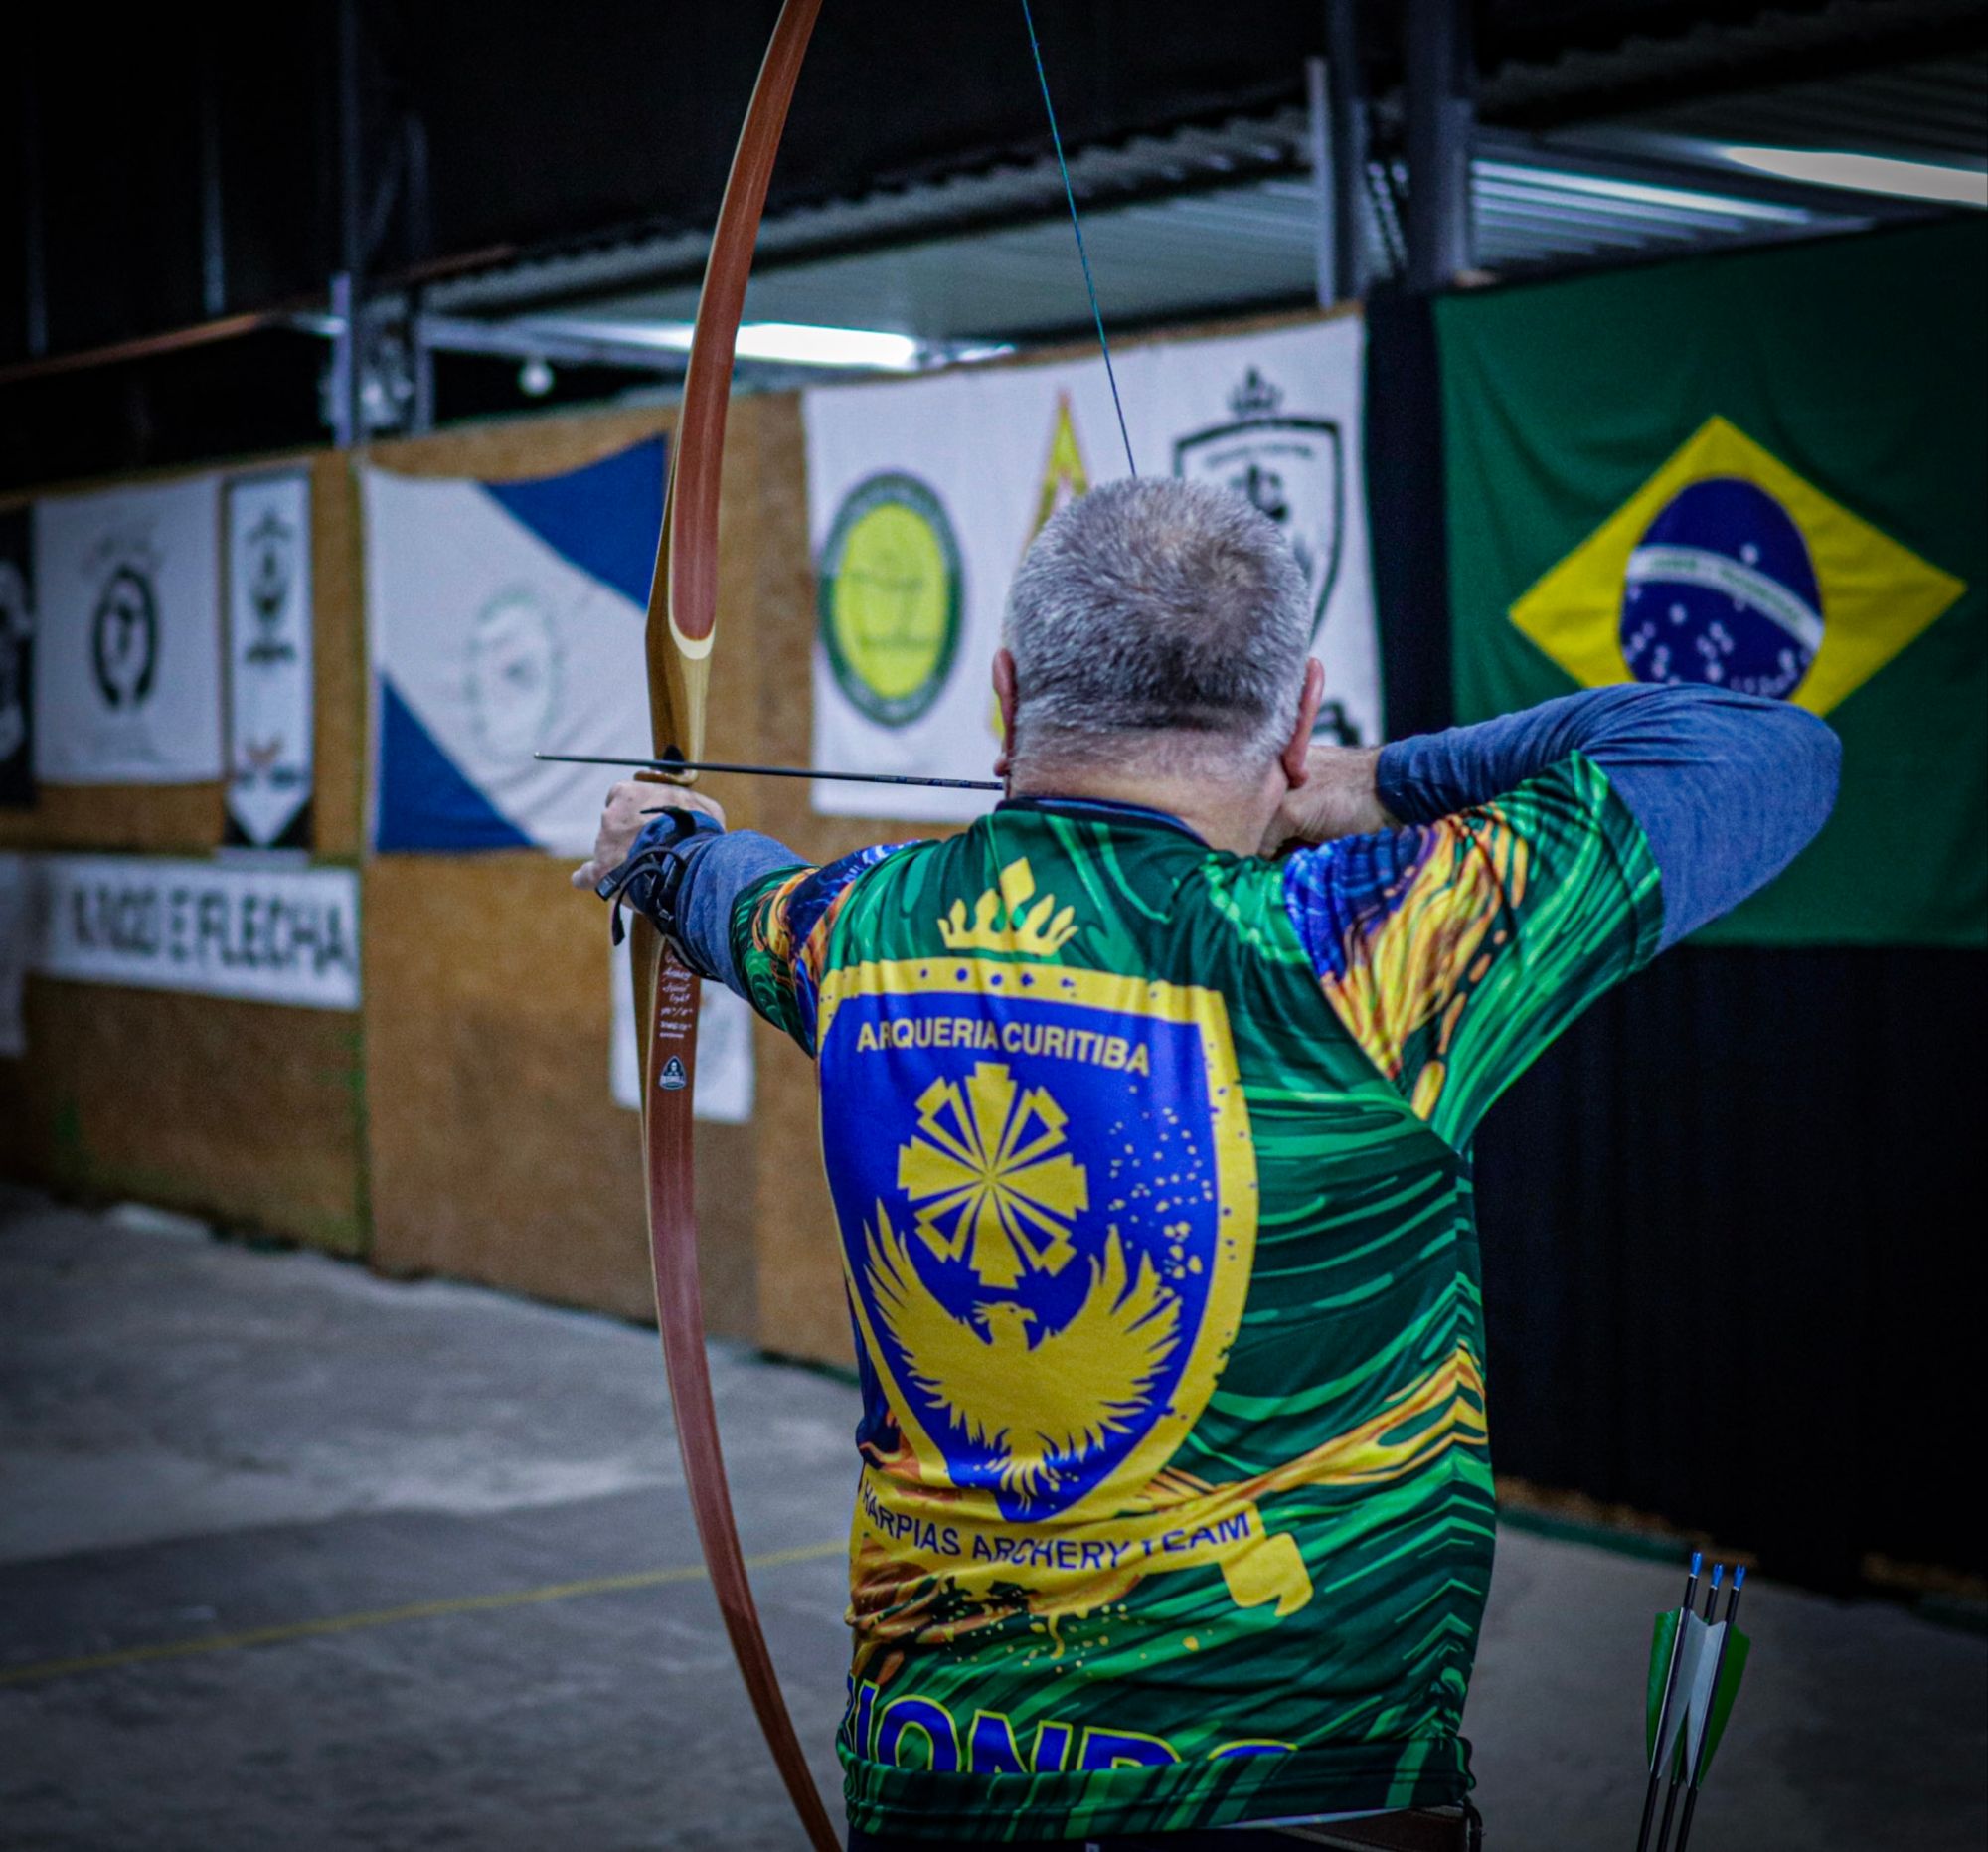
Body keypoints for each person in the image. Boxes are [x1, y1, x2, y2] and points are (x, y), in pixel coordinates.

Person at [576, 479, 1838, 1851]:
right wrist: (1370, 780)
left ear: (1005, 694)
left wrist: (660, 847)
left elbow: (734, 890)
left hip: (940, 1776)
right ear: (1297, 718)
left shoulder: (866, 929)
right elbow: (1761, 748)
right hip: (1300, 1796)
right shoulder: (1365, 952)